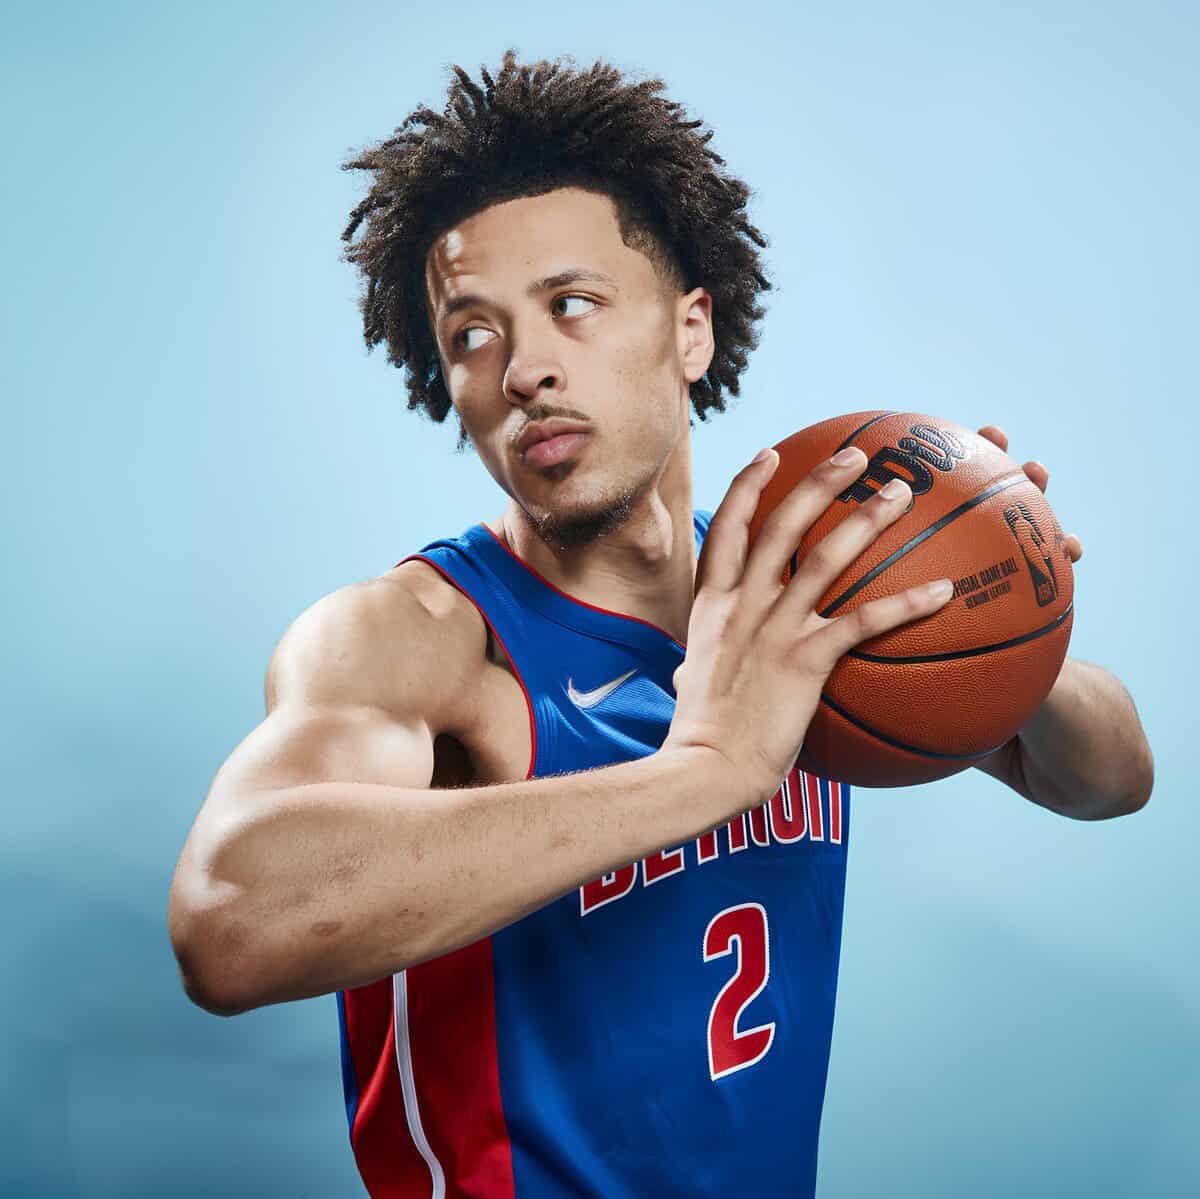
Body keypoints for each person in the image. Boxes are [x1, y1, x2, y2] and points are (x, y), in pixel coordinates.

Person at [167, 50, 1154, 1199]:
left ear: (691, 329)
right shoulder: (422, 638)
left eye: (571, 305)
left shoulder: (791, 595)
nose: (523, 368)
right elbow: (228, 922)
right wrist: (707, 771)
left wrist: (995, 608)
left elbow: (1115, 775)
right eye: (471, 335)